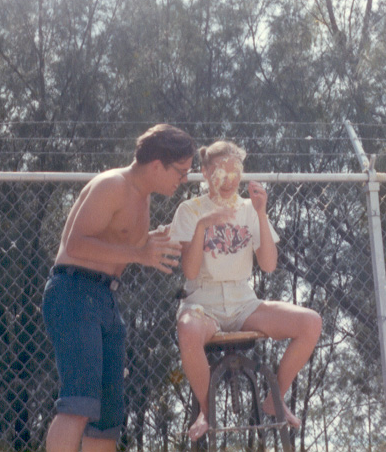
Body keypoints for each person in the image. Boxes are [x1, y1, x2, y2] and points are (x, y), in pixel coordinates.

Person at [41, 124, 196, 452]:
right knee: (78, 404)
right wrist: (140, 253)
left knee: (106, 421)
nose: (183, 180)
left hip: (106, 299)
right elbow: (75, 245)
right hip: (75, 291)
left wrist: (152, 242)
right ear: (157, 165)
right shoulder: (113, 185)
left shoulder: (142, 197)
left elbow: (119, 242)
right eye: (181, 171)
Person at [169, 140, 322, 441]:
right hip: (203, 302)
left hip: (243, 301)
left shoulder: (249, 209)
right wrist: (202, 227)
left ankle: (274, 398)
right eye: (220, 174)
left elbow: (268, 265)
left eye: (234, 173)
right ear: (205, 173)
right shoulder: (190, 210)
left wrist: (261, 213)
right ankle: (206, 411)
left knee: (310, 322)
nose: (229, 181)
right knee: (187, 329)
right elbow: (189, 272)